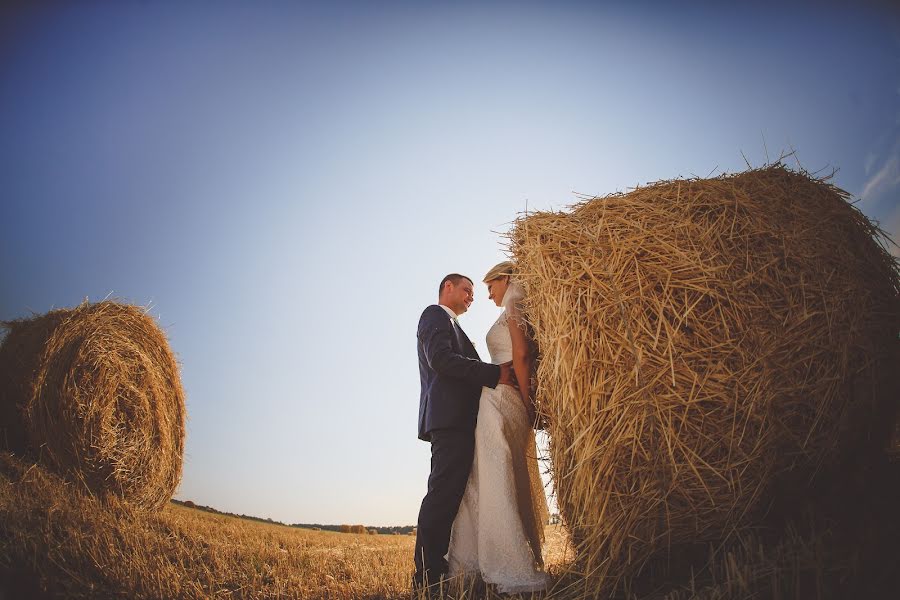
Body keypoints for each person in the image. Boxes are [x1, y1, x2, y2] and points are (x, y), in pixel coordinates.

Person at [446, 261, 550, 594]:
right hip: (502, 398)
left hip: (502, 400)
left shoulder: (515, 300)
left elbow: (521, 355)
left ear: (504, 278)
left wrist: (528, 401)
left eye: (489, 287)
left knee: (492, 474)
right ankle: (483, 559)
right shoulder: (514, 302)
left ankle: (504, 562)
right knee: (490, 473)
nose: (487, 295)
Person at [413, 273, 516, 593]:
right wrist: (495, 373)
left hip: (460, 420)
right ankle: (427, 575)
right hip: (449, 420)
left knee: (453, 495)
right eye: (467, 290)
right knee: (442, 495)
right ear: (448, 288)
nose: (472, 296)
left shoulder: (455, 326)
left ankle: (444, 566)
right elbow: (442, 360)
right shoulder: (433, 314)